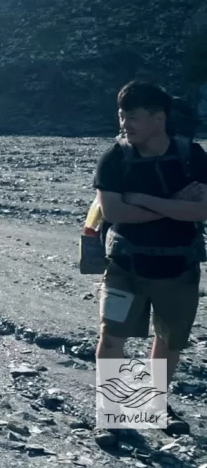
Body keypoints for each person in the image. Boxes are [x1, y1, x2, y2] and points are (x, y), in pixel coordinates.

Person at [94, 81, 207, 442]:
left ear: (159, 118)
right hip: (125, 266)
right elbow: (114, 212)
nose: (124, 123)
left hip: (179, 267)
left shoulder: (193, 156)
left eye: (132, 116)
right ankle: (110, 416)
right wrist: (177, 208)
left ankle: (152, 404)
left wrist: (144, 199)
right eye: (121, 115)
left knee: (169, 341)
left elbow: (203, 208)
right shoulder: (114, 158)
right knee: (112, 337)